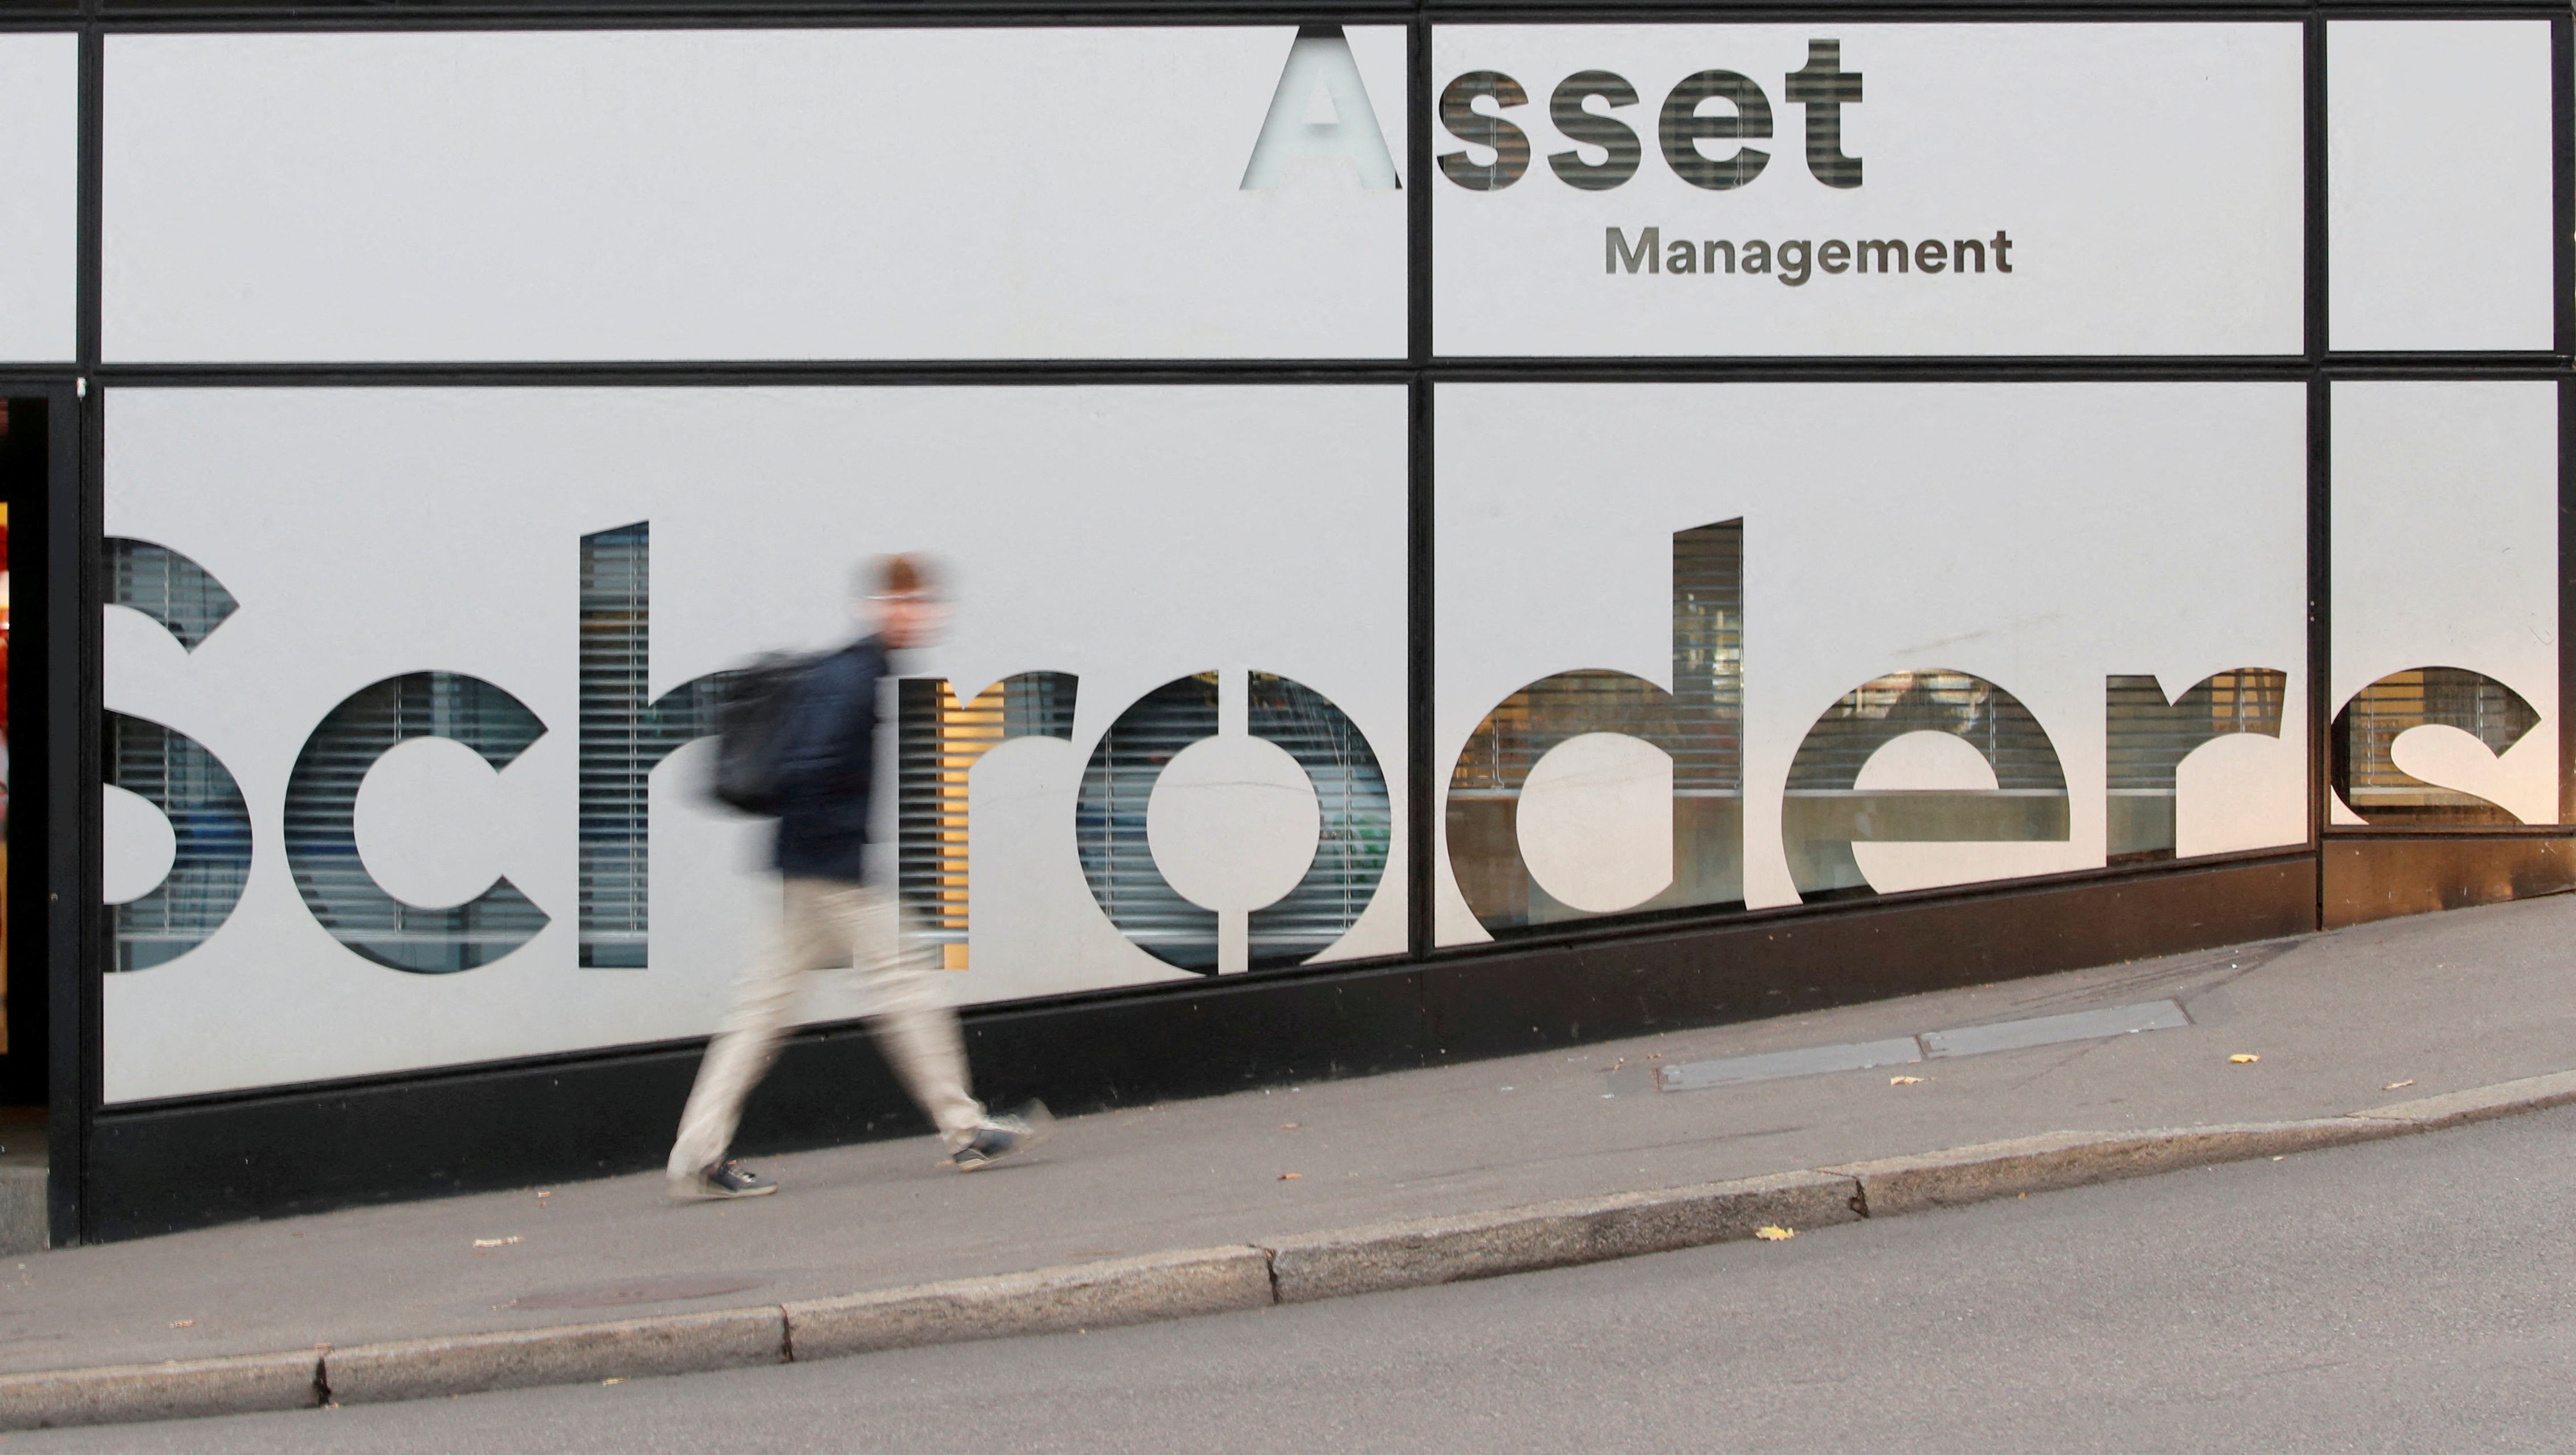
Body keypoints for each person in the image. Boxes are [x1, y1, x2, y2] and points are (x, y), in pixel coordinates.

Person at [668, 555, 1046, 1199]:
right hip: (830, 872)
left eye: (924, 605)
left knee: (762, 1013)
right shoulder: (854, 674)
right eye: (911, 604)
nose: (921, 617)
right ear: (884, 607)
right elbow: (813, 763)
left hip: (809, 868)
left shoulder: (852, 669)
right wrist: (836, 855)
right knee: (905, 984)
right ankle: (964, 1129)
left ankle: (696, 1158)